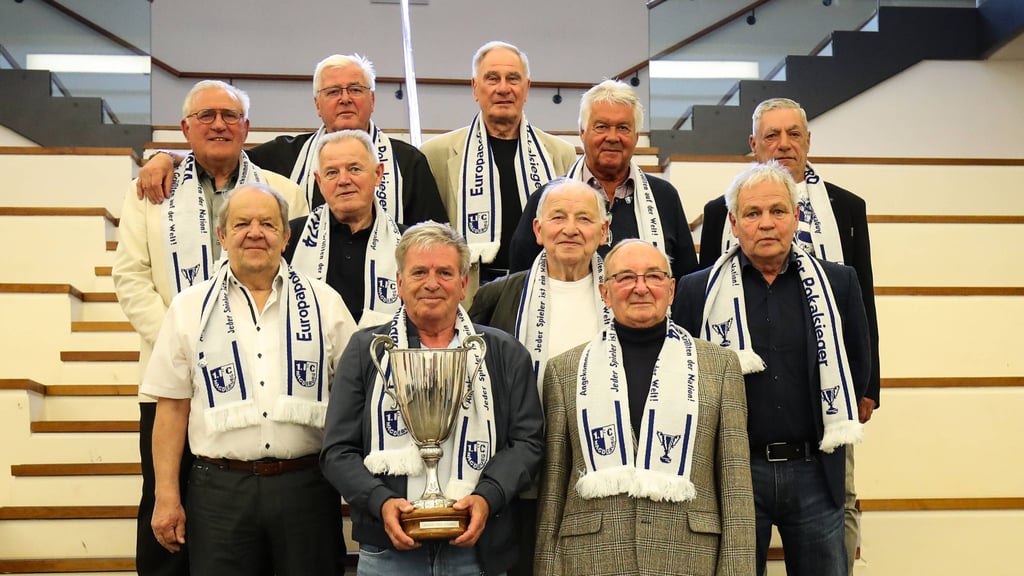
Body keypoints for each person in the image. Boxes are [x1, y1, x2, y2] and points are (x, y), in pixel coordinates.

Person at [112, 80, 306, 576]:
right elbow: (130, 275)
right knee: (165, 507)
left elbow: (299, 283)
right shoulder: (149, 191)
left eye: (229, 115)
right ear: (185, 129)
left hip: (267, 379)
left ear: (247, 128)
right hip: (171, 384)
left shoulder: (283, 192)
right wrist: (187, 345)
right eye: (205, 116)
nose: (218, 124)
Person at [697, 97, 880, 571]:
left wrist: (866, 390)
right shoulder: (700, 288)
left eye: (778, 211)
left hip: (815, 458)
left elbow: (860, 339)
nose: (766, 223)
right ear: (734, 223)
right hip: (737, 461)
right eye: (753, 214)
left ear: (797, 217)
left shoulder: (838, 276)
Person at [142, 183, 356, 575]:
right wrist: (166, 495)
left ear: (286, 235)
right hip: (219, 493)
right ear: (222, 236)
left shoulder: (326, 303)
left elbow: (354, 401)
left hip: (306, 488)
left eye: (268, 224)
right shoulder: (188, 308)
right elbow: (172, 408)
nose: (255, 232)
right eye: (241, 223)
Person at [320, 221, 544, 575]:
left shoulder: (502, 352)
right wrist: (382, 502)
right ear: (399, 282)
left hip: (480, 550)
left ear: (463, 283)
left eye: (444, 272)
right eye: (419, 271)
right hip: (388, 550)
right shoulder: (368, 351)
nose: (432, 283)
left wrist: (488, 496)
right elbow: (337, 451)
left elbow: (527, 442)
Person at [535, 239, 755, 576]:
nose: (640, 288)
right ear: (604, 292)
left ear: (671, 290)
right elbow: (553, 490)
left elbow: (735, 484)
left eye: (653, 276)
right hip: (590, 557)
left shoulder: (720, 366)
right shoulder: (565, 370)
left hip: (689, 556)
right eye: (625, 278)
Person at [468, 177, 609, 576]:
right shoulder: (498, 297)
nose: (570, 228)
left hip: (597, 466)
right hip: (521, 475)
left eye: (584, 218)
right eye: (558, 217)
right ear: (538, 228)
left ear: (603, 231)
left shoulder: (623, 293)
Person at [137, 54, 447, 227]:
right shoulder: (284, 157)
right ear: (317, 104)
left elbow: (433, 235)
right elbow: (223, 155)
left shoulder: (407, 161)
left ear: (372, 99)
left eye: (355, 89)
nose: (344, 99)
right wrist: (167, 155)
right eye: (333, 92)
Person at [421, 41, 578, 301]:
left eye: (513, 79)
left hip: (540, 288)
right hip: (470, 292)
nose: (503, 88)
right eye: (492, 78)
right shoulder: (436, 153)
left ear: (526, 89)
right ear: (475, 88)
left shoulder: (560, 153)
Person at [509, 79, 698, 280]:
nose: (612, 137)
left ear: (635, 136)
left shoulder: (664, 197)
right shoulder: (547, 199)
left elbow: (686, 281)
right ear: (582, 132)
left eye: (623, 128)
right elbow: (520, 283)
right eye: (601, 127)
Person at [284, 129, 404, 328]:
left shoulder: (407, 242)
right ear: (319, 182)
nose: (344, 180)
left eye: (355, 169)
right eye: (332, 172)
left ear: (378, 174)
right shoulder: (289, 237)